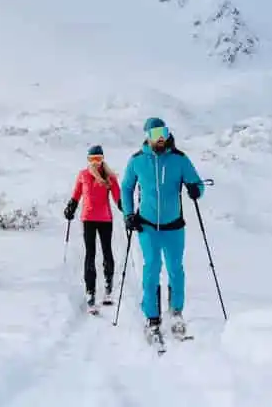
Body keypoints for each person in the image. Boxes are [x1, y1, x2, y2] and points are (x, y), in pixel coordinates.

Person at [120, 117, 205, 342]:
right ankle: (152, 318)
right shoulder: (137, 161)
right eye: (156, 133)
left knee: (176, 269)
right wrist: (128, 214)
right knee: (152, 269)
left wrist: (196, 190)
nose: (160, 138)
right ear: (147, 135)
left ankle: (176, 312)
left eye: (164, 132)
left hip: (174, 226)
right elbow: (126, 188)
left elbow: (197, 182)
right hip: (147, 226)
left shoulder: (179, 159)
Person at [64, 145, 121, 308]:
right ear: (88, 161)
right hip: (88, 219)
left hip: (105, 219)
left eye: (98, 159)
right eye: (92, 159)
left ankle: (108, 283)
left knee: (106, 251)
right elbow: (76, 194)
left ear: (103, 159)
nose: (95, 163)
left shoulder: (110, 177)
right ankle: (90, 290)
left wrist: (125, 209)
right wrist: (71, 207)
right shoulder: (83, 175)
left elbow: (117, 197)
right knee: (90, 253)